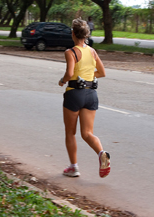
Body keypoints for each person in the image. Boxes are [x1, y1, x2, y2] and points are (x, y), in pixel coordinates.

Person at [58, 19, 109, 178]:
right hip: (91, 94)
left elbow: (69, 73)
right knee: (87, 133)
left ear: (73, 34)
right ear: (86, 35)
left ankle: (74, 167)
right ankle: (101, 153)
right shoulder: (93, 52)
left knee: (70, 133)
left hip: (74, 94)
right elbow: (102, 73)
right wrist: (88, 77)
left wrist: (62, 81)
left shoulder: (70, 52)